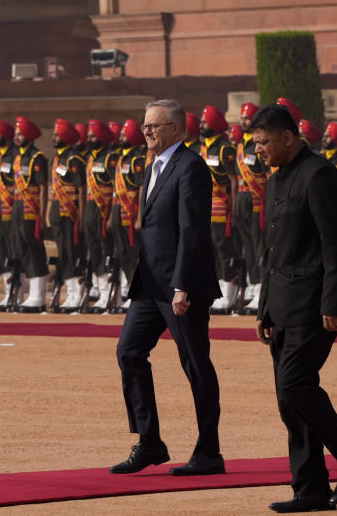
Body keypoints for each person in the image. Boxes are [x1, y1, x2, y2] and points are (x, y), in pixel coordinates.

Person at [252, 104, 337, 512]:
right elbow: (272, 250)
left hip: (315, 303)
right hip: (282, 305)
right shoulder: (274, 181)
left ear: (288, 137)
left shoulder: (319, 174)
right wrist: (264, 306)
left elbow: (335, 243)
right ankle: (310, 490)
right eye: (256, 143)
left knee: (295, 383)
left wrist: (335, 300)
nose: (260, 150)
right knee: (289, 400)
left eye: (265, 142)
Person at [112, 98, 223, 477]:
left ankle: (209, 452)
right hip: (149, 284)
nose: (146, 131)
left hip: (180, 286)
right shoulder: (154, 166)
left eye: (154, 126)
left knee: (195, 364)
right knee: (128, 353)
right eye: (145, 125)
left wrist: (182, 285)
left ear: (176, 129)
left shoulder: (190, 167)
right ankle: (150, 442)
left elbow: (192, 231)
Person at [199, 105, 238, 313]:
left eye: (205, 122)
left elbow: (233, 182)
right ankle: (216, 291)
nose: (201, 125)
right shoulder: (203, 148)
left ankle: (228, 294)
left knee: (224, 249)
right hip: (206, 207)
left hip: (222, 206)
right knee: (211, 250)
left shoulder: (224, 149)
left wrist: (232, 210)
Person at [48, 118, 87, 312]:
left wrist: (80, 216)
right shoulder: (57, 158)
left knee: (72, 252)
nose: (54, 137)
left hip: (71, 213)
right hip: (58, 212)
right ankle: (70, 293)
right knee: (63, 252)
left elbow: (81, 189)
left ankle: (76, 293)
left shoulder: (74, 159)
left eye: (57, 134)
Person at [11, 116, 50, 312]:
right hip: (18, 211)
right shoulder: (18, 158)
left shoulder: (38, 158)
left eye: (19, 134)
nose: (16, 137)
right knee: (24, 252)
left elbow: (43, 188)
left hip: (31, 212)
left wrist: (43, 216)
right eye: (16, 134)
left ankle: (39, 296)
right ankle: (31, 294)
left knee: (35, 252)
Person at [109, 118, 146, 311]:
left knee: (134, 253)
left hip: (130, 212)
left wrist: (140, 216)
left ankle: (139, 293)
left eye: (124, 134)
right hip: (117, 211)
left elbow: (141, 188)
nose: (121, 136)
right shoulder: (120, 157)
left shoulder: (136, 159)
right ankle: (132, 290)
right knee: (123, 253)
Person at [83, 120, 120, 312]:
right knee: (94, 250)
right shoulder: (91, 158)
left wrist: (112, 216)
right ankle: (102, 293)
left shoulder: (110, 158)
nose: (89, 139)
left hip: (105, 210)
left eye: (92, 136)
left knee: (107, 251)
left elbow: (116, 188)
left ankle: (112, 295)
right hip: (91, 207)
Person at [235, 102, 268, 314]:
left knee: (259, 245)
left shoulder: (261, 143)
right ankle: (255, 286)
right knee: (247, 247)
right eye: (243, 118)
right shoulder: (240, 145)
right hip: (241, 198)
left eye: (247, 118)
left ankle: (262, 292)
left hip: (257, 200)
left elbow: (268, 173)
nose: (243, 121)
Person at [0, 118, 19, 308]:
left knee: (13, 250)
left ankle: (17, 290)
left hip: (11, 209)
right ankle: (7, 291)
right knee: (1, 251)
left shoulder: (15, 157)